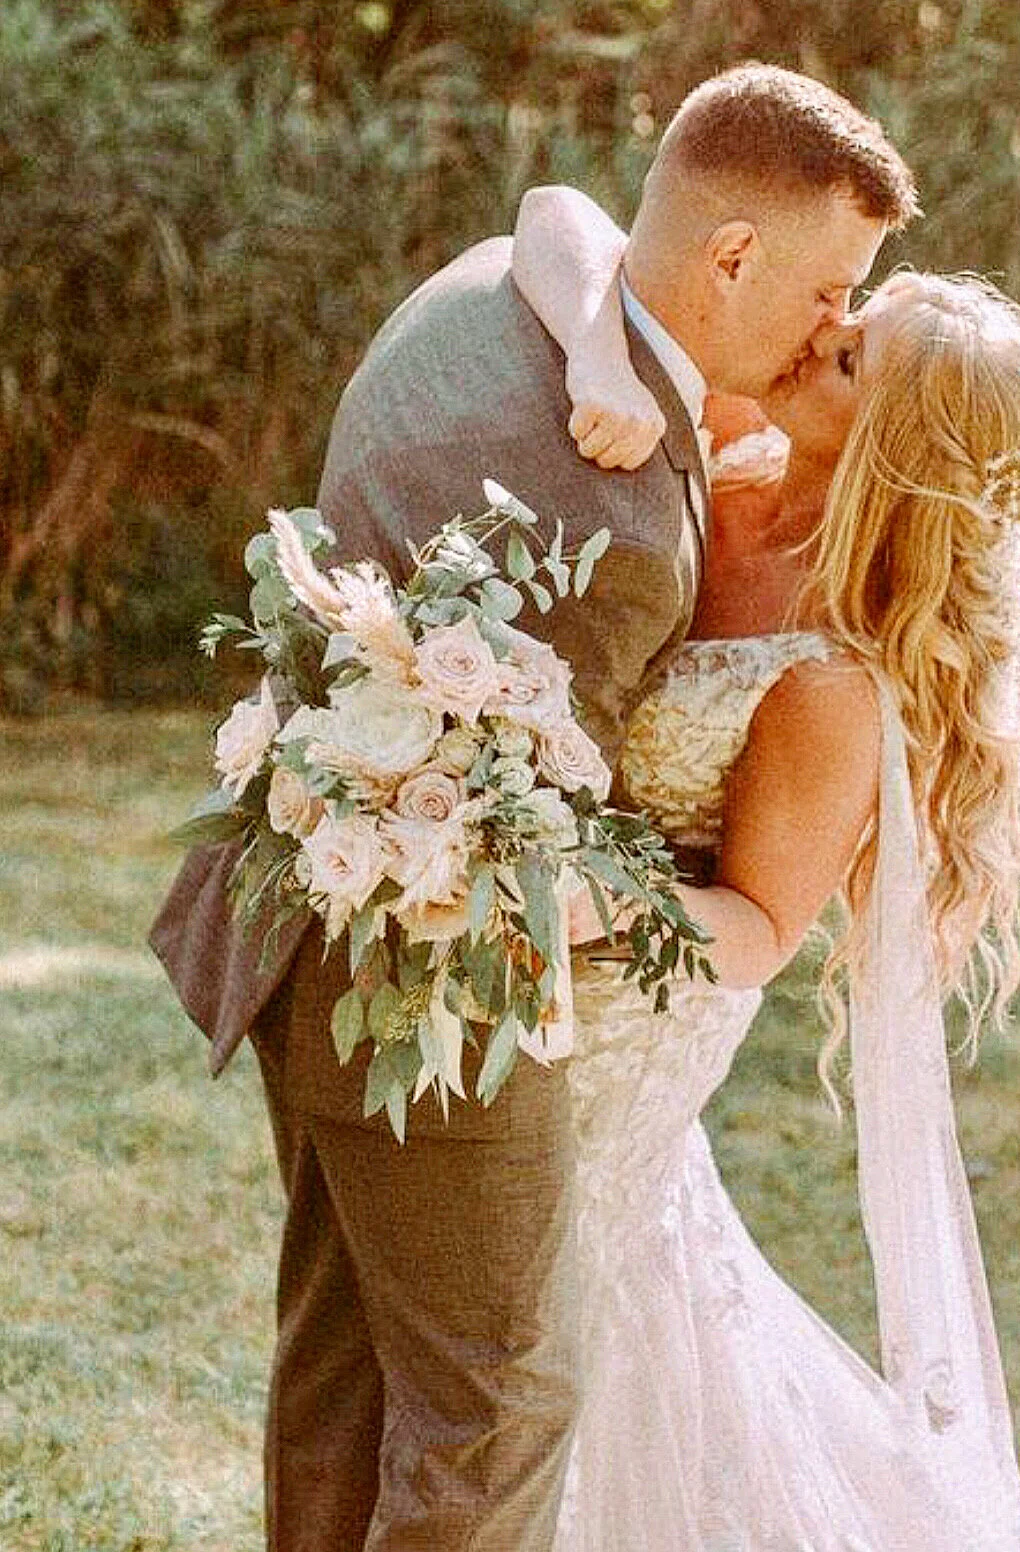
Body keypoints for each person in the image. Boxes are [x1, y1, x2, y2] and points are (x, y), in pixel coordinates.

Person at [147, 65, 918, 1552]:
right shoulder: (605, 521)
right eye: (828, 290)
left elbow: (554, 218)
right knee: (498, 1399)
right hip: (429, 981)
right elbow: (532, 840)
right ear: (732, 255)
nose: (835, 321)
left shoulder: (483, 291)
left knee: (349, 1372)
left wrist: (604, 345)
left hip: (294, 915)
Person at [512, 190, 1020, 1548]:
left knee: (586, 1328)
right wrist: (594, 359)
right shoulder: (723, 449)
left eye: (849, 352)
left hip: (634, 1011)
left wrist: (588, 895)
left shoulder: (834, 679)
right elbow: (552, 217)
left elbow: (760, 927)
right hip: (530, 955)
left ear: (895, 445)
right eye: (844, 311)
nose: (818, 327)